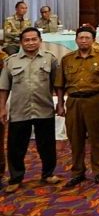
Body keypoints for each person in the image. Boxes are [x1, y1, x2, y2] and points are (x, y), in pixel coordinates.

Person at [0, 28, 61, 192]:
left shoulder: (50, 59)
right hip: (20, 110)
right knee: (16, 146)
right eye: (26, 40)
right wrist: (2, 109)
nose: (30, 42)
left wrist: (60, 103)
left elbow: (58, 84)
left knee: (47, 144)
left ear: (40, 40)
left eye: (34, 39)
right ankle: (16, 178)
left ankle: (48, 173)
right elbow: (4, 87)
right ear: (21, 42)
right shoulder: (11, 61)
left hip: (44, 108)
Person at [55, 26, 99, 187]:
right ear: (76, 40)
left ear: (93, 40)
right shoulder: (67, 59)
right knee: (75, 138)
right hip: (73, 102)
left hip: (95, 101)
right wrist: (60, 105)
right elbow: (59, 84)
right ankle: (77, 172)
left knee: (97, 138)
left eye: (87, 38)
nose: (84, 41)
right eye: (81, 38)